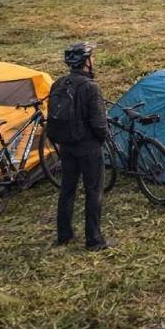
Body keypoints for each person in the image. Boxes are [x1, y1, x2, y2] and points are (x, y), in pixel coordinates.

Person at [51, 42, 114, 251]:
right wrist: (101, 139)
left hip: (66, 145)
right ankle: (94, 240)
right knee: (93, 191)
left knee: (67, 189)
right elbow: (98, 123)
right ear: (86, 62)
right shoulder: (91, 87)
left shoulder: (59, 83)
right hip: (88, 147)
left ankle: (64, 234)